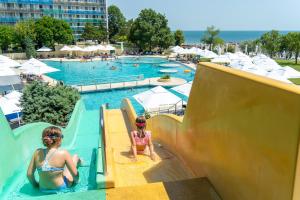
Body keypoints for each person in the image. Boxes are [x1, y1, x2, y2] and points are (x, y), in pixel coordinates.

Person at [27, 126, 81, 194]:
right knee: (75, 157)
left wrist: (36, 186)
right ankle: (80, 162)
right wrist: (76, 182)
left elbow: (29, 174)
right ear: (59, 139)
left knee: (62, 171)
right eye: (62, 137)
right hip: (61, 187)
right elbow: (75, 175)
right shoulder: (64, 153)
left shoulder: (37, 152)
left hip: (43, 189)